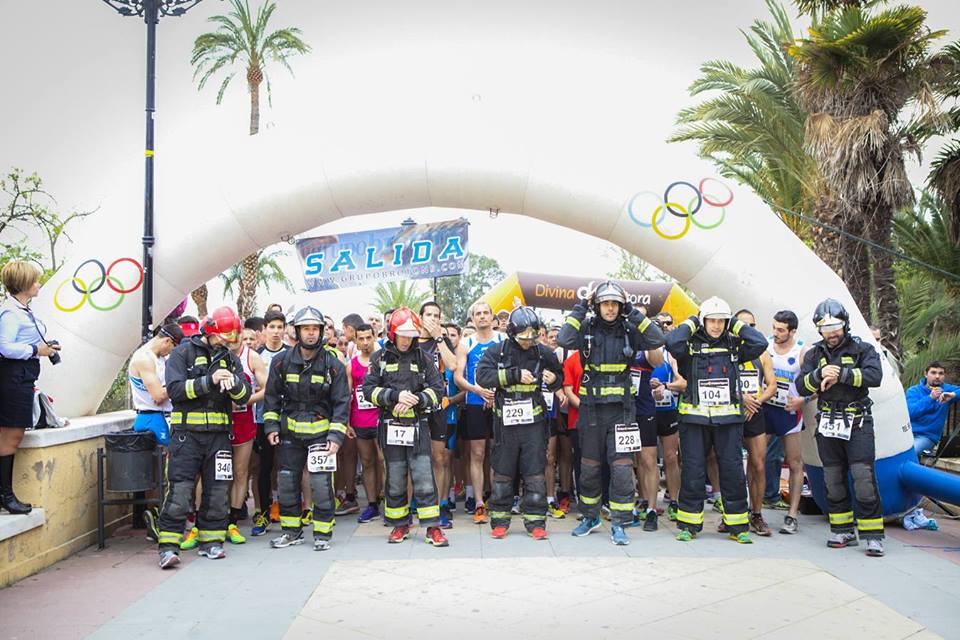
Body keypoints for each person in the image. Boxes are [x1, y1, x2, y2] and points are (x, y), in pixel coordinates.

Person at [557, 281, 665, 545]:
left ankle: (619, 523)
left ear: (621, 305)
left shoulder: (630, 329)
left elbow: (657, 339)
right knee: (590, 468)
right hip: (591, 412)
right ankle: (590, 517)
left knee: (621, 470)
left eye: (615, 303)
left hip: (623, 413)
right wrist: (582, 306)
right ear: (597, 305)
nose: (610, 308)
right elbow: (563, 339)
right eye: (605, 303)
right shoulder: (586, 328)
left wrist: (632, 310)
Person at [157, 306, 252, 568]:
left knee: (218, 491)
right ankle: (168, 547)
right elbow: (175, 391)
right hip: (186, 438)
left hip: (220, 438)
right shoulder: (182, 353)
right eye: (223, 336)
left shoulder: (230, 359)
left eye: (232, 337)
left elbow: (244, 395)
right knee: (180, 491)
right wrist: (208, 381)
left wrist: (233, 383)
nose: (227, 341)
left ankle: (212, 542)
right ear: (210, 330)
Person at [665, 297, 766, 544]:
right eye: (712, 320)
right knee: (693, 471)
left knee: (732, 470)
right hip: (694, 420)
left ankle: (737, 525)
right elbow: (671, 342)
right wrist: (692, 320)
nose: (716, 325)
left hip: (728, 421)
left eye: (721, 321)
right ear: (704, 320)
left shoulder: (734, 344)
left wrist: (734, 323)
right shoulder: (689, 344)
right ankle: (689, 524)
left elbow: (760, 342)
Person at [796, 298, 885, 557]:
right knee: (832, 479)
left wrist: (842, 374)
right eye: (825, 329)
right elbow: (801, 386)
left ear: (845, 325)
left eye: (835, 327)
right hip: (828, 423)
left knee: (863, 478)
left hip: (857, 422)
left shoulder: (863, 349)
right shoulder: (814, 354)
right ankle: (841, 529)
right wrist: (820, 375)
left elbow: (874, 377)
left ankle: (872, 535)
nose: (831, 333)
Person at [263, 306, 350, 552]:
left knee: (321, 484)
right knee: (287, 482)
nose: (310, 334)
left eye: (315, 329)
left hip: (321, 434)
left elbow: (342, 402)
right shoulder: (281, 362)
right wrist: (271, 427)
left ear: (321, 332)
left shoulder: (332, 364)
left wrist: (335, 435)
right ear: (297, 332)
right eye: (306, 329)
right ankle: (291, 532)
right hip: (290, 433)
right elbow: (271, 398)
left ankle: (323, 533)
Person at [475, 306, 563, 540]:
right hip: (505, 425)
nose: (527, 342)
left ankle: (535, 522)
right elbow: (482, 376)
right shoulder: (498, 351)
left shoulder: (543, 352)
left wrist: (554, 379)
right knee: (503, 474)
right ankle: (500, 520)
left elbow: (559, 377)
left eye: (532, 337)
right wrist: (513, 375)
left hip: (534, 426)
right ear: (513, 333)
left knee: (535, 473)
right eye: (523, 337)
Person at [363, 307, 449, 546]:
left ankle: (433, 527)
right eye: (402, 334)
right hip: (391, 426)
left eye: (410, 335)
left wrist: (419, 399)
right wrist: (394, 396)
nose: (406, 339)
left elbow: (437, 389)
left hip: (418, 426)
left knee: (423, 476)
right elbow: (369, 390)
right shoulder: (379, 358)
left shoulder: (423, 358)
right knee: (395, 477)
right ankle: (400, 525)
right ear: (392, 333)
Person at [0, 261, 61, 515]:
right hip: (12, 377)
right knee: (10, 435)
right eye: (35, 280)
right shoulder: (10, 313)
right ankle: (5, 494)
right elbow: (4, 347)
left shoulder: (23, 310)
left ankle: (5, 493)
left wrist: (45, 347)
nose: (38, 284)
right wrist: (37, 350)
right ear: (24, 284)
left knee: (13, 434)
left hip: (23, 377)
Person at [454, 302, 505, 524]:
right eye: (478, 314)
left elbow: (509, 369)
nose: (482, 317)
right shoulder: (466, 343)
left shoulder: (503, 340)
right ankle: (478, 503)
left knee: (498, 452)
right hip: (475, 401)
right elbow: (458, 376)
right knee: (477, 453)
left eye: (486, 313)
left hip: (500, 401)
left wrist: (495, 392)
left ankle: (498, 499)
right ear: (472, 319)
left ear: (492, 317)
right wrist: (477, 390)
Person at [733, 309, 777, 537]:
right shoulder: (729, 350)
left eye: (752, 325)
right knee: (730, 465)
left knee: (758, 463)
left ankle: (756, 513)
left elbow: (772, 385)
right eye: (743, 326)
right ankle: (732, 513)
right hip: (732, 411)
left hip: (755, 412)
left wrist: (756, 401)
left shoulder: (762, 353)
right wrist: (742, 398)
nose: (747, 330)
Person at [764, 310, 808, 535]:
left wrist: (804, 400)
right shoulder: (766, 346)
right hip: (766, 408)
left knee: (794, 463)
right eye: (774, 328)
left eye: (781, 330)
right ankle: (754, 511)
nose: (776, 333)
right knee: (756, 458)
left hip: (789, 413)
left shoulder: (802, 351)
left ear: (792, 331)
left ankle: (792, 514)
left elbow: (816, 384)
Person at [224, 326, 267, 544]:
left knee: (241, 471)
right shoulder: (217, 354)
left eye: (235, 333)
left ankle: (233, 519)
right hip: (219, 423)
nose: (232, 338)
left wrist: (246, 400)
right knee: (217, 473)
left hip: (244, 422)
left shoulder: (252, 357)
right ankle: (208, 519)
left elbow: (267, 387)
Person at [419, 302, 458, 527]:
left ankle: (442, 504)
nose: (432, 318)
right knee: (414, 458)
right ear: (420, 316)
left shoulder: (442, 342)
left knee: (440, 458)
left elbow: (452, 366)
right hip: (416, 407)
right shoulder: (411, 340)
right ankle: (415, 504)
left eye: (436, 315)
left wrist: (440, 338)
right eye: (429, 314)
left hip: (438, 408)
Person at [251, 309, 289, 536]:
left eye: (279, 327)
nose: (275, 332)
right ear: (263, 330)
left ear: (285, 330)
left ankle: (289, 511)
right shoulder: (256, 355)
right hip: (261, 419)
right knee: (262, 467)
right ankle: (263, 512)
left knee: (287, 467)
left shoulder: (292, 354)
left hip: (287, 419)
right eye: (271, 327)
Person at [649, 312, 685, 523]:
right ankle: (647, 502)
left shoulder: (669, 353)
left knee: (671, 457)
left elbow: (682, 383)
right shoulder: (637, 351)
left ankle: (674, 501)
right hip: (646, 411)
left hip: (667, 411)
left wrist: (665, 386)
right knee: (646, 460)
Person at [128, 323, 184, 447]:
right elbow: (158, 396)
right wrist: (182, 386)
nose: (171, 353)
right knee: (168, 457)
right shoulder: (144, 359)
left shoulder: (160, 358)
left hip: (163, 415)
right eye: (173, 348)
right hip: (152, 417)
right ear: (167, 341)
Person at [349, 324, 383, 523]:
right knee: (368, 462)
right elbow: (347, 395)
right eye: (360, 338)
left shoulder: (384, 360)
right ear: (356, 341)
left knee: (384, 461)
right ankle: (371, 505)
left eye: (368, 337)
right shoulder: (351, 365)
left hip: (381, 419)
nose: (364, 342)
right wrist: (346, 422)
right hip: (360, 420)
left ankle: (391, 502)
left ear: (374, 337)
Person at [906, 362, 960, 457]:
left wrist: (953, 395)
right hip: (906, 434)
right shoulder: (913, 391)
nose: (937, 376)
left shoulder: (946, 389)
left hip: (927, 437)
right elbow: (911, 413)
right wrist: (930, 398)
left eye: (941, 373)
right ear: (926, 374)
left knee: (910, 453)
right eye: (933, 373)